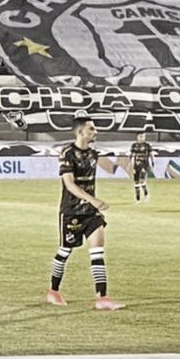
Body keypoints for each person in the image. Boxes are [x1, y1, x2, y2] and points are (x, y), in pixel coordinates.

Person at [46, 119, 125, 311]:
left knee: (97, 253)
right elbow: (69, 184)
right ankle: (53, 291)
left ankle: (102, 298)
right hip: (71, 211)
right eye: (92, 129)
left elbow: (113, 165)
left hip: (90, 213)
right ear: (80, 132)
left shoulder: (93, 154)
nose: (95, 132)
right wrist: (93, 199)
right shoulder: (67, 153)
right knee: (65, 251)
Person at [128, 131, 155, 203]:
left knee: (142, 181)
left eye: (143, 136)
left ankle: (146, 195)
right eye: (141, 136)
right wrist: (130, 163)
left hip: (144, 165)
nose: (142, 138)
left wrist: (153, 163)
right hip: (136, 165)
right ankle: (138, 199)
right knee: (136, 182)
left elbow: (151, 154)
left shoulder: (147, 145)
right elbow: (131, 155)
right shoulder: (134, 145)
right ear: (137, 137)